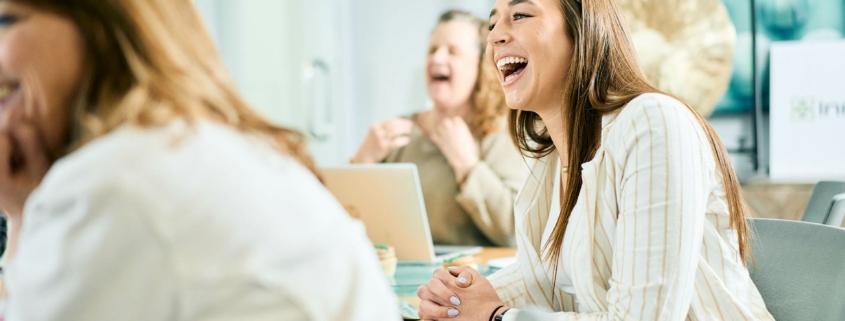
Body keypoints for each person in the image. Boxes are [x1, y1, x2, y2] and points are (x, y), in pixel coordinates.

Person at [0, 0, 398, 320]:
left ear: (101, 24)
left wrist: (22, 214)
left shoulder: (113, 181)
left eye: (7, 19)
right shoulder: (201, 148)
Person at [416, 0, 774, 320]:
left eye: (520, 15)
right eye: (492, 24)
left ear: (582, 29)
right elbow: (542, 280)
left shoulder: (654, 122)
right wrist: (457, 296)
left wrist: (497, 315)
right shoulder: (550, 159)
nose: (494, 37)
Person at [351, 10, 525, 247]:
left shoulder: (500, 132)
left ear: (481, 67)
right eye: (432, 50)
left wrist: (467, 165)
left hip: (469, 278)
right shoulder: (398, 132)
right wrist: (362, 160)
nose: (437, 59)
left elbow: (515, 232)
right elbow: (337, 220)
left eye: (452, 51)